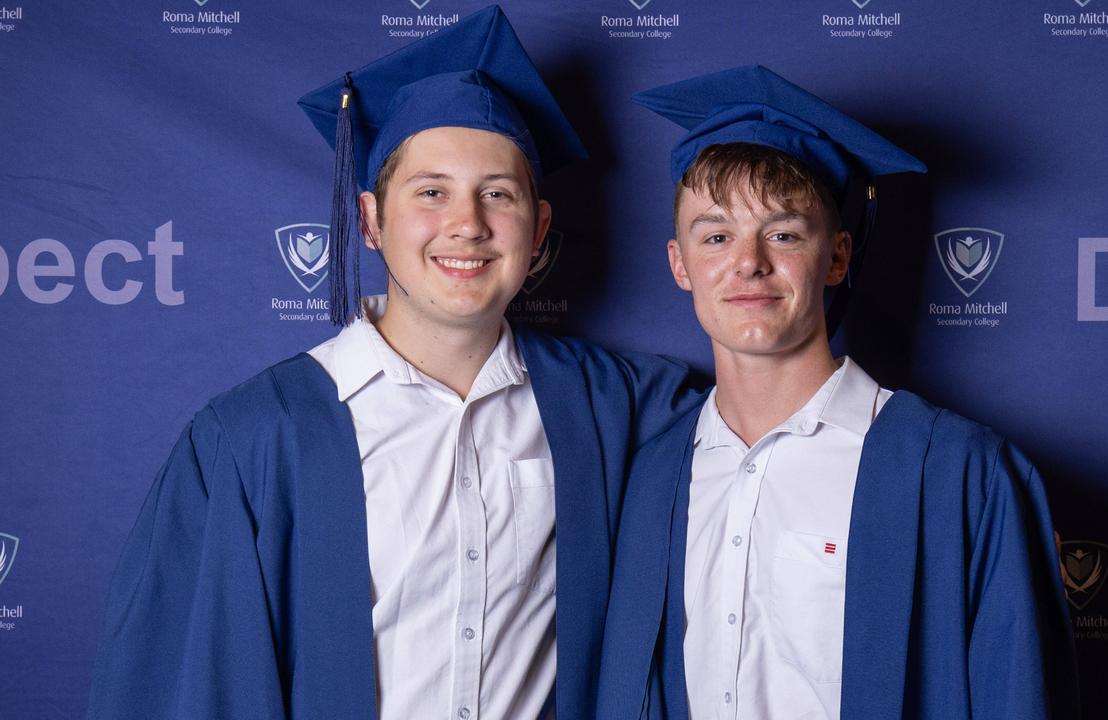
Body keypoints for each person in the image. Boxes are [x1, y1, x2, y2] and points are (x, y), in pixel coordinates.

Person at [87, 7, 696, 720]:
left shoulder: (612, 407)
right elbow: (190, 685)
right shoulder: (254, 440)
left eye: (498, 194)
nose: (467, 223)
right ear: (371, 221)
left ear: (539, 231)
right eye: (431, 191)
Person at [596, 66, 1079, 720]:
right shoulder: (652, 479)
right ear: (680, 264)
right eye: (716, 236)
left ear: (837, 256)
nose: (748, 263)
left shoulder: (958, 473)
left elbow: (1016, 696)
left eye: (784, 233)